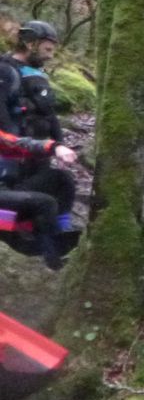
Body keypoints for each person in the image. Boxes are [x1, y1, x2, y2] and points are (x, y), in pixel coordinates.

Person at [0, 20, 77, 230]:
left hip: (33, 165)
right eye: (47, 49)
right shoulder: (5, 73)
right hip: (8, 168)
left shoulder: (37, 75)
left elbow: (49, 115)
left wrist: (59, 145)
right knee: (40, 206)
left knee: (64, 182)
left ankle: (63, 234)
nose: (50, 55)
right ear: (29, 43)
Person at [0, 128, 78, 270]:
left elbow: (19, 144)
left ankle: (60, 232)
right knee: (44, 203)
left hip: (7, 194)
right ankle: (54, 263)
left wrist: (56, 147)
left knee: (62, 178)